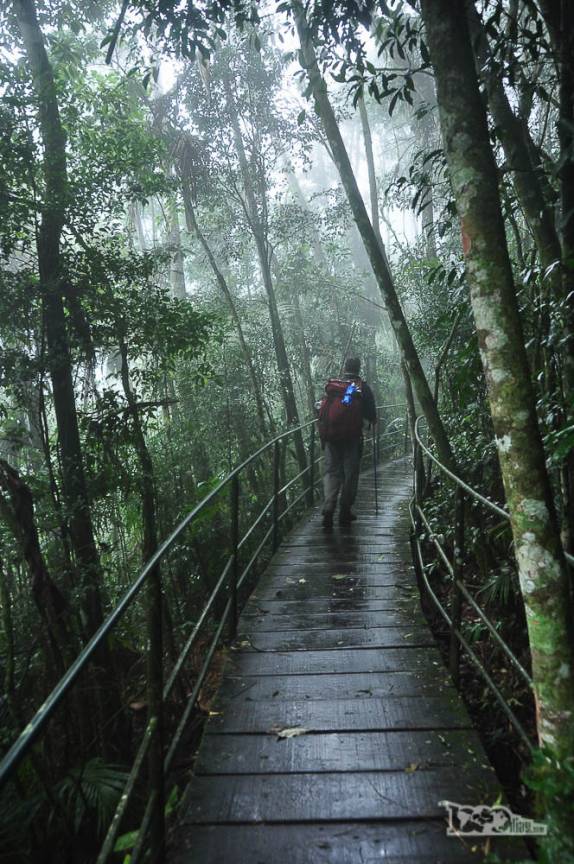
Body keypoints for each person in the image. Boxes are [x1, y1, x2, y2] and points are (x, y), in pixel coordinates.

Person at [318, 357, 377, 527]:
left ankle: (329, 507)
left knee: (332, 471)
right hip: (352, 438)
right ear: (359, 368)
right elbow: (371, 416)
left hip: (331, 437)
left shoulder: (335, 387)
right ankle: (345, 511)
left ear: (345, 368)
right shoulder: (362, 388)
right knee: (350, 473)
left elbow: (323, 410)